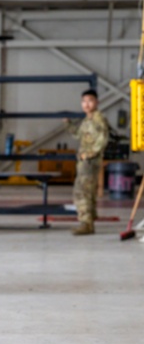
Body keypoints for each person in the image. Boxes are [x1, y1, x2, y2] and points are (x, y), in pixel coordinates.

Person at [64, 89, 109, 235]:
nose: (86, 104)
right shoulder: (87, 120)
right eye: (84, 101)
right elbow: (79, 135)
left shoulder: (98, 119)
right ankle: (89, 221)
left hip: (90, 161)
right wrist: (68, 124)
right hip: (85, 161)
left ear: (96, 102)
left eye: (90, 101)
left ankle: (86, 223)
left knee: (81, 192)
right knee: (88, 191)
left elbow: (102, 139)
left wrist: (89, 154)